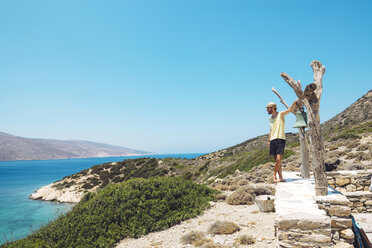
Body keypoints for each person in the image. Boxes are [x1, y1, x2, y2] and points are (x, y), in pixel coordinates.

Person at [266, 100, 299, 183]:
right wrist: (269, 140)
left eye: (268, 108)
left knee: (278, 160)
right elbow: (271, 129)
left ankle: (274, 175)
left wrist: (294, 102)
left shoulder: (280, 114)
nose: (267, 110)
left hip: (280, 139)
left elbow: (290, 110)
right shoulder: (270, 118)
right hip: (273, 140)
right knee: (277, 161)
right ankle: (280, 177)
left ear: (272, 108)